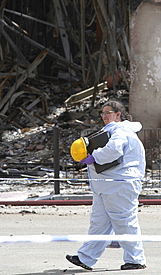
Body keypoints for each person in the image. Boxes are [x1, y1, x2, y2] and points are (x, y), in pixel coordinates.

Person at [66, 100, 146, 271]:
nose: (104, 116)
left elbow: (115, 149)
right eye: (102, 113)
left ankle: (136, 259)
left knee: (125, 222)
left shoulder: (121, 130)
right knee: (99, 223)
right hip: (107, 185)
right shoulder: (114, 130)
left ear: (118, 115)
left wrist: (95, 157)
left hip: (119, 184)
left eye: (108, 112)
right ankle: (86, 258)